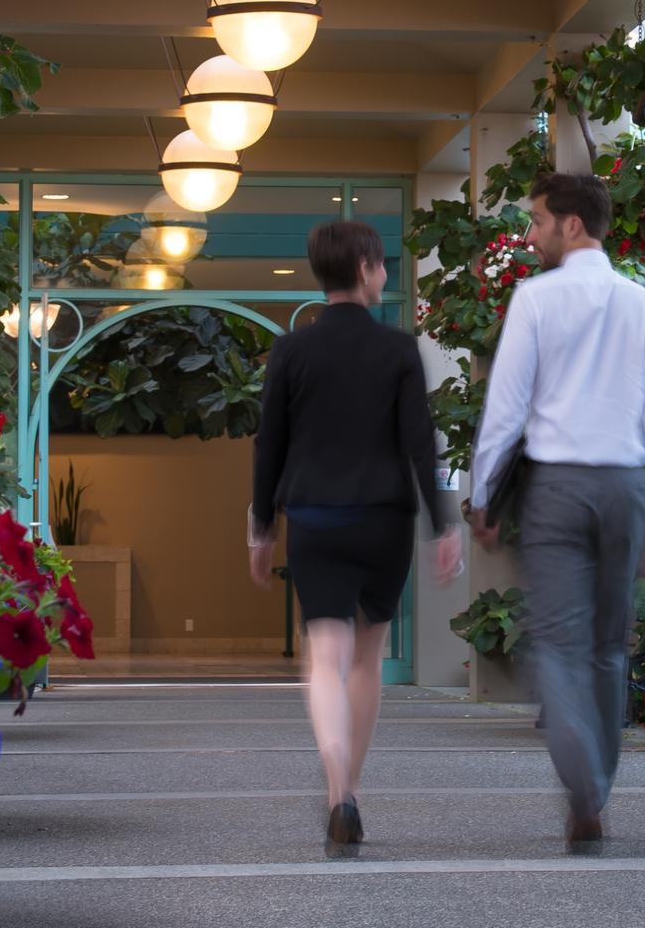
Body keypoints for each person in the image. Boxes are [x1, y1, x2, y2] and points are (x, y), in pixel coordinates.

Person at [470, 172, 645, 847]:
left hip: (556, 491)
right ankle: (596, 789)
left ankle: (584, 787)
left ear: (572, 224)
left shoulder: (536, 301)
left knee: (560, 647)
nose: (531, 234)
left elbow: (505, 409)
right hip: (625, 488)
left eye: (538, 221)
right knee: (604, 649)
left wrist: (482, 497)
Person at [249, 219, 463, 847]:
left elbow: (270, 447)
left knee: (325, 655)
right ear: (367, 267)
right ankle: (354, 790)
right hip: (384, 521)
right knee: (366, 659)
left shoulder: (291, 351)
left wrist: (261, 529)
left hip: (314, 519)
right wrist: (441, 524)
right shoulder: (399, 350)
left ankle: (336, 784)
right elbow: (420, 446)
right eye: (381, 264)